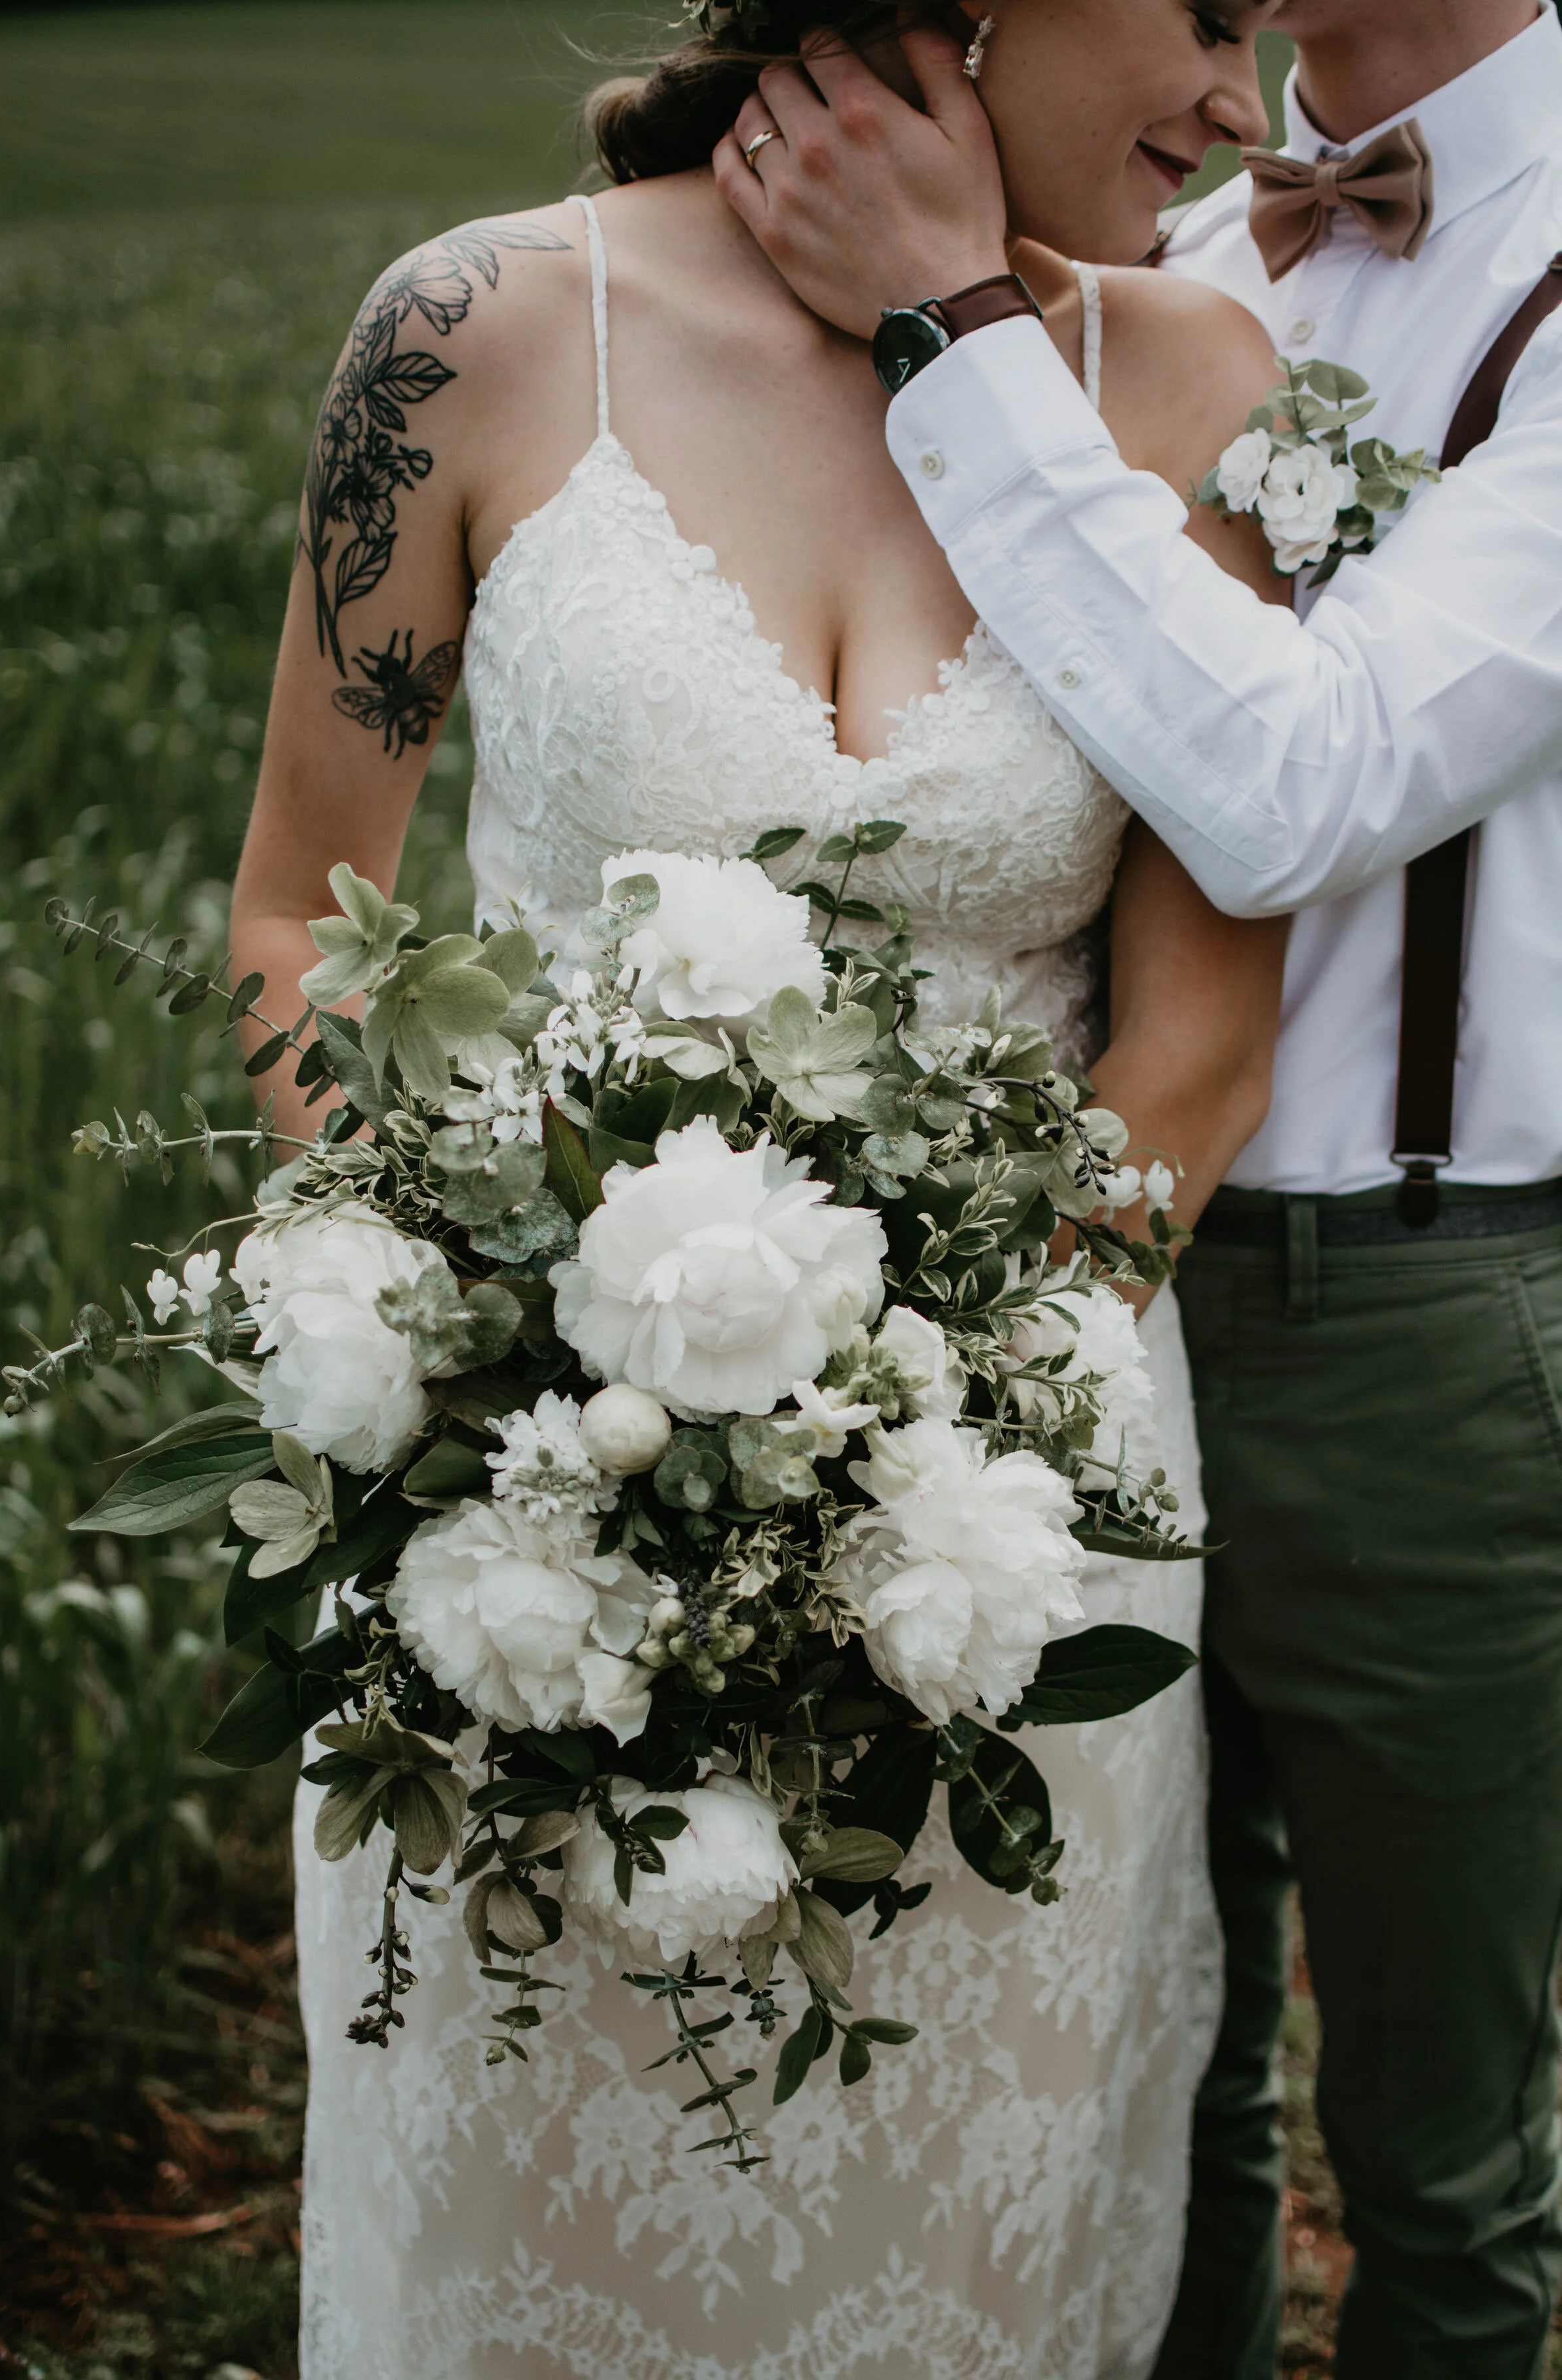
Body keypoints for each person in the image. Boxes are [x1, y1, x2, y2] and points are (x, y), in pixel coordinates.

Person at [230, 3, 1297, 2371]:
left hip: (1018, 1534)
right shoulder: (475, 331)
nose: (1251, 101)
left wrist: (913, 1455)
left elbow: (1195, 1056)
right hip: (527, 1512)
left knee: (967, 2248)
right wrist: (470, 1352)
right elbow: (305, 919)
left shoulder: (1199, 380)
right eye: (1214, 15)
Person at [712, 1, 1562, 2373]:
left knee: (1452, 2184)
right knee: (1130, 2082)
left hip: (1426, 1332)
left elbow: (1308, 781)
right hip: (1097, 1284)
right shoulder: (1179, 241)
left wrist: (956, 321)